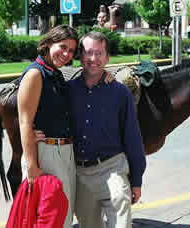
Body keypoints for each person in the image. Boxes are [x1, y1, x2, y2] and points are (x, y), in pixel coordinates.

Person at [68, 31, 146, 228]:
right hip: (79, 173)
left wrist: (136, 180)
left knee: (120, 212)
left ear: (107, 57)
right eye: (88, 52)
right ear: (80, 56)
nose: (93, 59)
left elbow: (133, 138)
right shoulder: (67, 91)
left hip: (112, 168)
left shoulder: (120, 93)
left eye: (99, 53)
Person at [17, 24, 78, 228]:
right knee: (51, 217)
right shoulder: (36, 74)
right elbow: (25, 121)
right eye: (62, 47)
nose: (66, 54)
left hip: (64, 151)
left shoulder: (56, 74)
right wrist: (32, 166)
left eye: (71, 50)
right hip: (48, 154)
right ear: (48, 43)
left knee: (64, 215)